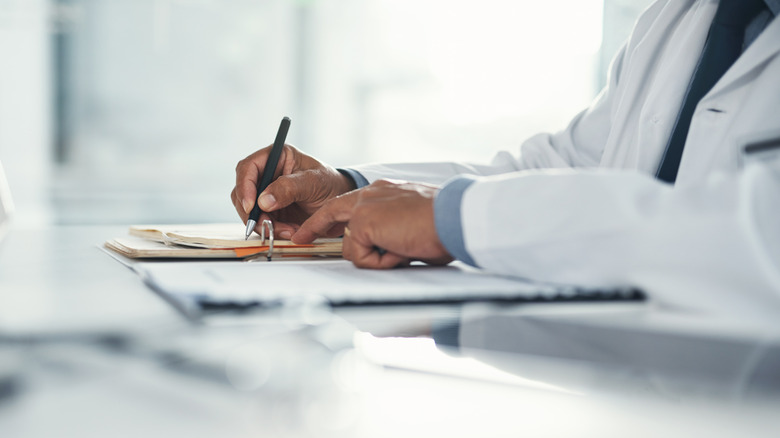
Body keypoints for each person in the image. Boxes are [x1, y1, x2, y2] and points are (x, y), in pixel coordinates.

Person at [231, 0, 780, 318]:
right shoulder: (677, 18)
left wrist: (457, 218)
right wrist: (347, 192)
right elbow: (560, 170)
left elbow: (756, 231)